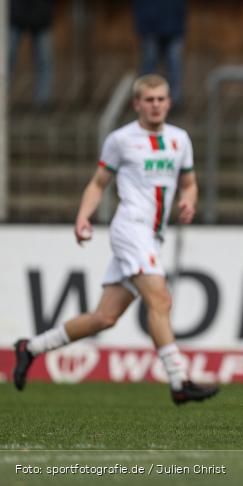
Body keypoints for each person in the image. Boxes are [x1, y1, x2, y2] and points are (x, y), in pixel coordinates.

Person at [12, 75, 218, 406]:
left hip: (153, 234)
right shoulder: (121, 139)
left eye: (161, 99)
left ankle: (30, 348)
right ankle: (179, 380)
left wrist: (188, 200)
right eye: (148, 100)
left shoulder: (180, 140)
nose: (155, 105)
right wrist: (83, 216)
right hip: (130, 228)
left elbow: (190, 182)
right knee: (161, 300)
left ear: (168, 102)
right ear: (136, 103)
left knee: (104, 317)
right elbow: (98, 183)